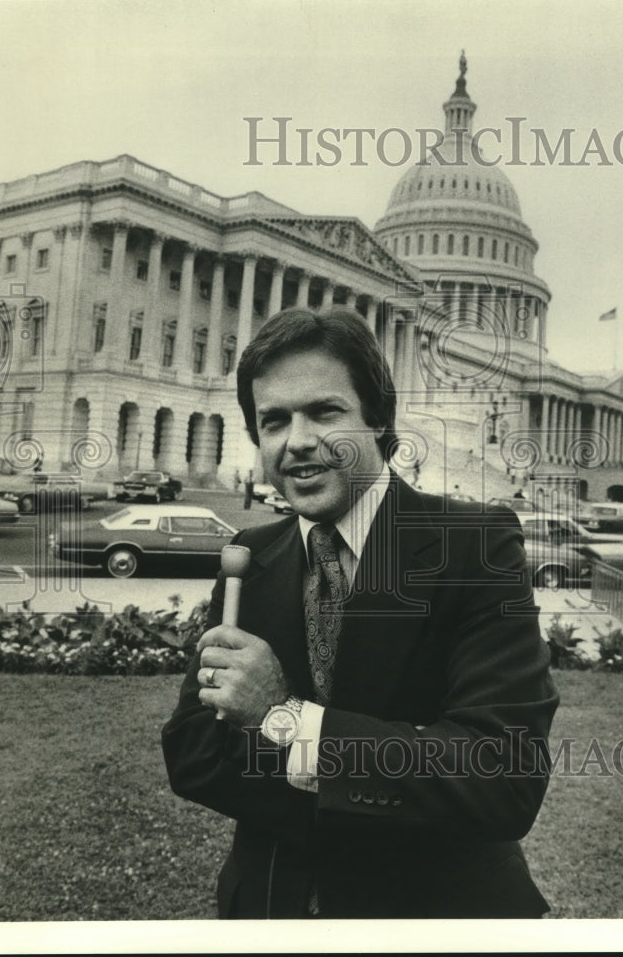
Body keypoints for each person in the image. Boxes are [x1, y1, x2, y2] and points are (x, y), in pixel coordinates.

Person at [162, 308, 558, 919]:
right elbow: (193, 754)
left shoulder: (472, 546)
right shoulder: (250, 559)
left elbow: (502, 776)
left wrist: (282, 718)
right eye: (273, 421)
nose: (296, 440)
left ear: (378, 422)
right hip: (270, 909)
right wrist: (390, 780)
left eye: (324, 412)